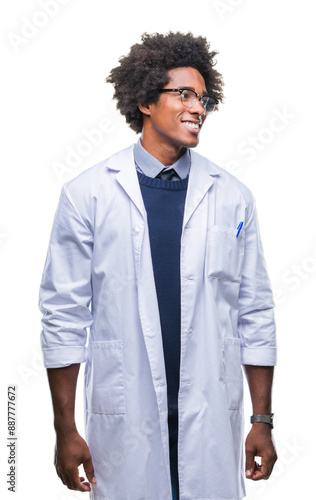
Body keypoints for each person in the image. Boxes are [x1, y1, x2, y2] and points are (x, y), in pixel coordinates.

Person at [39, 31, 277, 500]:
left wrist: (262, 420)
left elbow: (256, 312)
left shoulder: (232, 196)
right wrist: (65, 430)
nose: (198, 107)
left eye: (204, 97)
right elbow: (63, 317)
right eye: (183, 94)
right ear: (146, 100)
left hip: (210, 411)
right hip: (124, 413)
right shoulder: (87, 194)